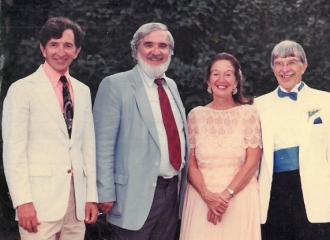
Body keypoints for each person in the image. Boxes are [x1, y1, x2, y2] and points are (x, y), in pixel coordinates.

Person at [2, 17, 98, 240]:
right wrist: (23, 201)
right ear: (43, 49)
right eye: (54, 44)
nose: (60, 52)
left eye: (68, 45)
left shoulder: (83, 91)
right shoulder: (22, 90)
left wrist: (90, 196)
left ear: (77, 51)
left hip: (76, 203)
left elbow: (87, 147)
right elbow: (14, 151)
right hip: (38, 202)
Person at [93, 22, 189, 240]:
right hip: (133, 197)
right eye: (148, 45)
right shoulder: (115, 85)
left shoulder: (171, 86)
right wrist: (104, 192)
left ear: (170, 52)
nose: (156, 51)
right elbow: (103, 145)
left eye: (163, 46)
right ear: (136, 50)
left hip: (172, 193)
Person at [255, 40, 330, 240]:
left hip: (314, 194)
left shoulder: (329, 102)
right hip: (272, 195)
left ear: (304, 66)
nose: (285, 69)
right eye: (279, 63)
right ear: (273, 69)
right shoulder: (257, 105)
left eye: (291, 62)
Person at [179, 52, 262, 240]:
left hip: (238, 199)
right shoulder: (195, 115)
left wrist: (225, 197)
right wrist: (208, 197)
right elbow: (191, 165)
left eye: (228, 74)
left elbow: (252, 162)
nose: (221, 79)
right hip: (201, 199)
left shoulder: (248, 114)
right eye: (215, 74)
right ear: (208, 81)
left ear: (236, 81)